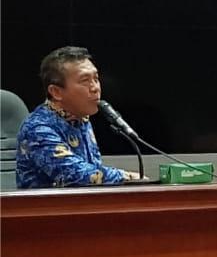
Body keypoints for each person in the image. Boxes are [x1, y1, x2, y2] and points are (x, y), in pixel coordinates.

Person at [16, 46, 139, 189]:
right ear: (56, 92)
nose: (95, 88)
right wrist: (128, 177)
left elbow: (94, 169)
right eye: (85, 80)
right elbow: (76, 175)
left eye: (96, 79)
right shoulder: (37, 128)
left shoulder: (80, 118)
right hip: (44, 203)